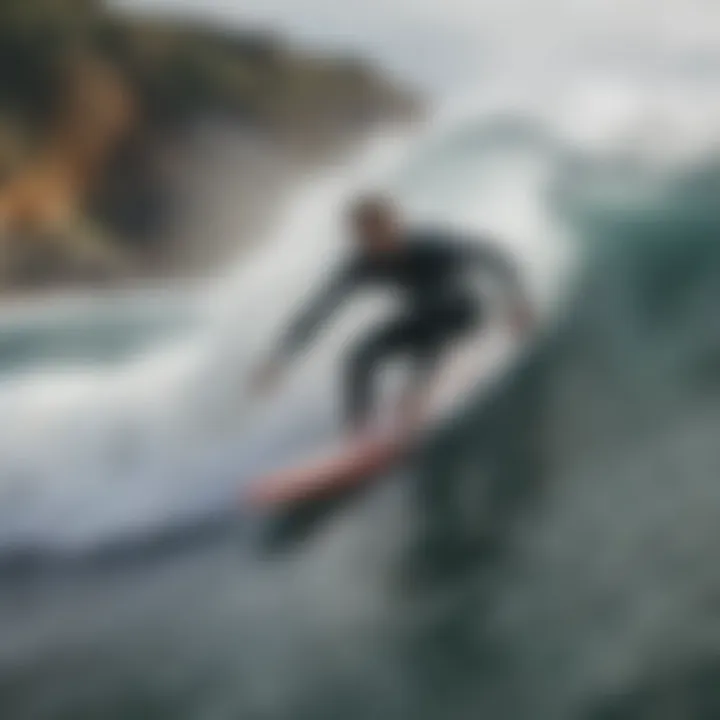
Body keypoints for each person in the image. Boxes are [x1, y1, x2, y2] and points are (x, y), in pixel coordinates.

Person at [253, 195, 534, 433]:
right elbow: (319, 310)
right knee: (359, 356)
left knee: (432, 316)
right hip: (423, 323)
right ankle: (360, 431)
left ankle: (416, 395)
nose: (373, 242)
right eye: (364, 236)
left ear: (393, 224)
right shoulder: (362, 264)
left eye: (378, 231)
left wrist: (517, 300)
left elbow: (492, 255)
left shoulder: (428, 245)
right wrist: (281, 358)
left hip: (464, 314)